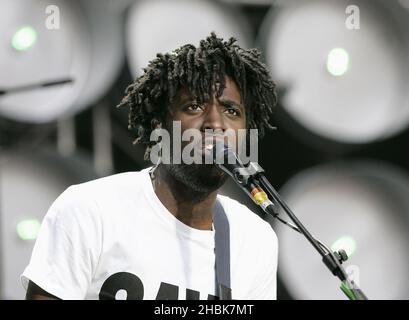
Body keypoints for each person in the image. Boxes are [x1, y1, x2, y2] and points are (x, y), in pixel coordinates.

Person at [22, 32, 278, 300]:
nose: (215, 123)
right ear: (160, 126)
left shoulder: (254, 239)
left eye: (231, 111)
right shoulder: (90, 209)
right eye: (194, 106)